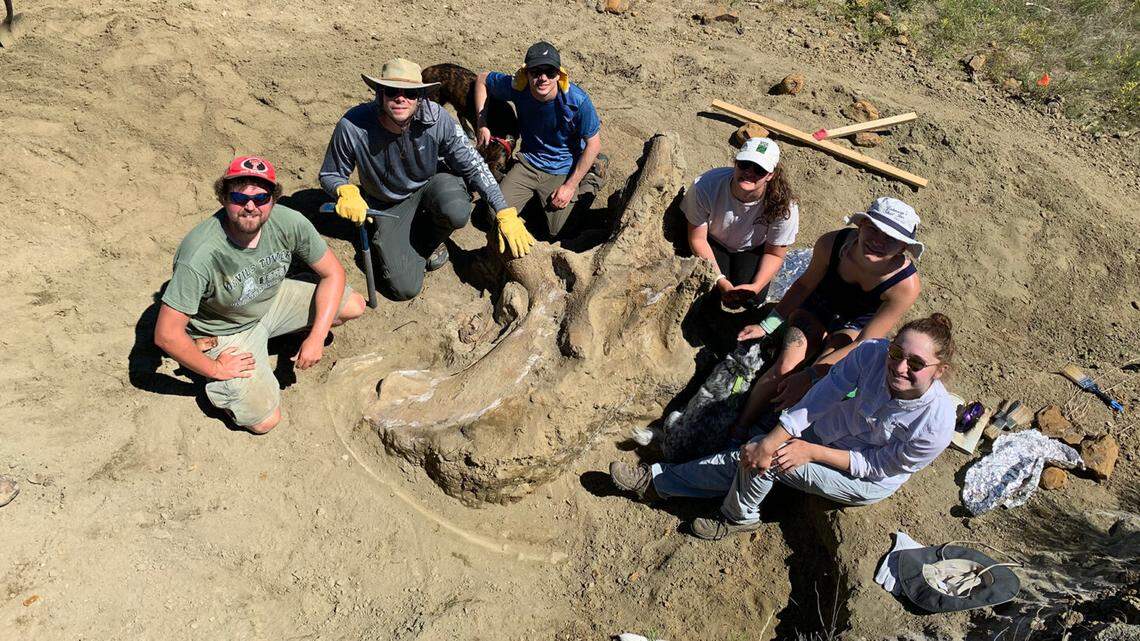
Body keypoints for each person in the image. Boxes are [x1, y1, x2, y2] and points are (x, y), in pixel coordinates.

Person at [609, 313, 957, 541]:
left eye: (915, 363)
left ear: (938, 370)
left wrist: (808, 451)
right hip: (828, 432)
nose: (899, 366)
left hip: (861, 477)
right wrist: (776, 438)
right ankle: (665, 482)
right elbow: (823, 395)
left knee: (774, 459)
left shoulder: (936, 424)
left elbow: (877, 466)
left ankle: (730, 513)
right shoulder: (871, 354)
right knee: (764, 448)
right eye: (897, 353)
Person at [155, 156, 366, 434]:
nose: (250, 206)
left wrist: (315, 338)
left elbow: (334, 274)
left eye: (261, 197)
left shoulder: (289, 222)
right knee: (265, 421)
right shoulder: (200, 253)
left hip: (269, 298)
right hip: (227, 329)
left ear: (273, 199)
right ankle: (209, 372)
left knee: (353, 305)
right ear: (223, 198)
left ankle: (275, 336)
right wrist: (215, 369)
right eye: (239, 197)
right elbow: (166, 334)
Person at [320, 57, 533, 300]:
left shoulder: (437, 118)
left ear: (421, 97)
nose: (401, 98)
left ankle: (428, 241)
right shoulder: (353, 125)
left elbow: (474, 166)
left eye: (410, 94)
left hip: (428, 184)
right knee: (404, 288)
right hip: (387, 202)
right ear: (379, 93)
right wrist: (344, 191)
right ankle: (397, 239)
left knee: (456, 210)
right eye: (392, 91)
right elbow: (330, 174)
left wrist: (503, 210)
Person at [731, 197, 923, 434]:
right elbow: (803, 286)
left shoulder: (904, 286)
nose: (877, 242)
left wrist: (811, 376)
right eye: (873, 229)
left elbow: (865, 341)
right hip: (817, 309)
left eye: (890, 239)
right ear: (861, 225)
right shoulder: (833, 244)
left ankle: (775, 433)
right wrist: (769, 324)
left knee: (822, 380)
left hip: (853, 328)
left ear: (903, 247)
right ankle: (739, 428)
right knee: (786, 367)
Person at [474, 41, 604, 239]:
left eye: (550, 72)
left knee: (559, 231)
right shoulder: (518, 87)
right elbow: (482, 79)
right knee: (494, 216)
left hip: (564, 167)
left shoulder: (577, 101)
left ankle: (591, 176)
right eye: (536, 72)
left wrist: (569, 187)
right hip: (529, 163)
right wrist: (481, 122)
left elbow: (594, 143)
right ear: (526, 73)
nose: (542, 78)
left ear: (559, 74)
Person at [684, 137, 800, 308]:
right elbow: (697, 238)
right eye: (745, 164)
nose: (749, 172)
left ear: (770, 175)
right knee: (710, 292)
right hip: (712, 241)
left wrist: (756, 286)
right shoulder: (706, 186)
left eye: (759, 170)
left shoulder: (784, 206)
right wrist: (720, 280)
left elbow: (775, 253)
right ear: (735, 163)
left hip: (751, 248)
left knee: (753, 298)